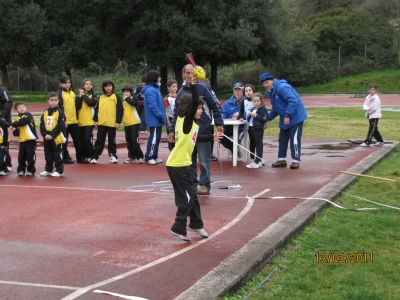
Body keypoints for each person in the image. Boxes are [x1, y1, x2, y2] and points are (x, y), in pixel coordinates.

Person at [167, 74, 223, 242]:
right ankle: (178, 226)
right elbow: (194, 103)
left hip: (183, 164)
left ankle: (196, 223)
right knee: (188, 197)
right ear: (191, 108)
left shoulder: (193, 125)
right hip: (178, 165)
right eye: (199, 108)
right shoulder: (185, 121)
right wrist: (193, 84)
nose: (201, 111)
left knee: (193, 195)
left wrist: (211, 137)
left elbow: (195, 139)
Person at [168, 64, 224, 195]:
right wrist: (171, 130)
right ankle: (192, 183)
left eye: (192, 73)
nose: (189, 75)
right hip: (188, 133)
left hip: (204, 129)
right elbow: (176, 113)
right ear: (183, 74)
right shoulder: (180, 93)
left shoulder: (204, 88)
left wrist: (219, 123)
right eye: (187, 73)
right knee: (190, 160)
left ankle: (204, 184)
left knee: (204, 161)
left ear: (197, 74)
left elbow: (216, 105)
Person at [260, 72, 308, 169]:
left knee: (294, 139)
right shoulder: (271, 93)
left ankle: (295, 161)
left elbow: (293, 100)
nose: (265, 85)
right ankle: (281, 159)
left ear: (271, 80)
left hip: (295, 116)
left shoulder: (282, 87)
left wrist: (287, 115)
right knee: (282, 139)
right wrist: (266, 119)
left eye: (267, 82)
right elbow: (275, 108)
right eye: (263, 84)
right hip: (284, 117)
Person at [90, 79, 123, 164]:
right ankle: (95, 156)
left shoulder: (116, 97)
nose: (108, 88)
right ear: (103, 87)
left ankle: (113, 155)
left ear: (112, 87)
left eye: (109, 86)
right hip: (102, 123)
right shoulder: (100, 97)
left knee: (112, 140)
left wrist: (118, 121)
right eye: (106, 86)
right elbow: (96, 109)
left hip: (112, 123)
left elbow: (120, 110)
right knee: (99, 140)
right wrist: (96, 120)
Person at [57, 74, 86, 164]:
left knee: (78, 140)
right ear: (60, 84)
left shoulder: (72, 93)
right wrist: (63, 120)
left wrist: (80, 96)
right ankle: (65, 157)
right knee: (64, 141)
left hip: (74, 121)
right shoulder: (59, 94)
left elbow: (76, 106)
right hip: (65, 122)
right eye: (65, 83)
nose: (67, 85)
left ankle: (80, 157)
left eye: (69, 83)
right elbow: (60, 108)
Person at [142, 70, 166, 165]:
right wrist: (159, 116)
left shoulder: (155, 89)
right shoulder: (151, 90)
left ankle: (154, 155)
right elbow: (153, 105)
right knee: (154, 137)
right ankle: (149, 156)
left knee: (157, 137)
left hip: (156, 118)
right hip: (154, 118)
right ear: (154, 78)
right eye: (158, 77)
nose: (160, 78)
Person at [39, 92, 66, 177]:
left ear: (58, 101)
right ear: (48, 101)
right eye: (51, 100)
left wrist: (52, 135)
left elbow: (60, 125)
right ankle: (48, 169)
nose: (53, 102)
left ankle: (59, 170)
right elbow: (42, 124)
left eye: (55, 100)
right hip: (47, 136)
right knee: (48, 153)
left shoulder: (60, 112)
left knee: (57, 153)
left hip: (56, 136)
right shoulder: (45, 112)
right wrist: (45, 134)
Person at [9, 102, 38, 176]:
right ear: (16, 110)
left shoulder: (28, 116)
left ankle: (31, 170)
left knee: (30, 156)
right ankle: (21, 170)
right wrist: (13, 129)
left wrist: (12, 124)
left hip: (30, 140)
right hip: (22, 141)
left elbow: (24, 121)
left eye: (23, 107)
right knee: (21, 157)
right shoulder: (18, 119)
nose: (22, 108)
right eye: (19, 107)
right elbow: (16, 133)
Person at [219, 82, 246, 157]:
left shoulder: (247, 102)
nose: (237, 91)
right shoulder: (228, 103)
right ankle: (233, 148)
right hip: (228, 127)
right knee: (219, 135)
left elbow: (248, 114)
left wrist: (240, 114)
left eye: (239, 90)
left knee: (239, 136)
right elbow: (224, 114)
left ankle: (234, 147)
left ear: (242, 91)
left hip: (241, 128)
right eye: (235, 89)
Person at [76, 78, 98, 162]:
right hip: (81, 121)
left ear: (91, 86)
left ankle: (90, 154)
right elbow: (78, 106)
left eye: (89, 84)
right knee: (82, 140)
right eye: (86, 84)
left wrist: (84, 95)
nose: (88, 85)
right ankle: (84, 155)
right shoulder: (80, 96)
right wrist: (80, 96)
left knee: (87, 139)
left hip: (89, 122)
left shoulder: (94, 96)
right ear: (83, 86)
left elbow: (90, 103)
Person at [121, 84, 144, 164]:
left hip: (134, 122)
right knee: (129, 140)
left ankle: (140, 156)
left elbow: (134, 103)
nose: (125, 93)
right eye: (124, 92)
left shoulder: (133, 98)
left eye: (127, 92)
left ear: (130, 92)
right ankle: (131, 156)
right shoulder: (123, 101)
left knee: (134, 140)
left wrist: (127, 98)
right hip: (126, 123)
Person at [244, 93, 268, 169]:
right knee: (252, 143)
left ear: (261, 101)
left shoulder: (263, 109)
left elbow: (264, 119)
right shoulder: (252, 108)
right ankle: (255, 158)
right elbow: (249, 118)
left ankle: (258, 160)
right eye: (254, 101)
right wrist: (248, 116)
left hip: (258, 128)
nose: (256, 103)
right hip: (251, 128)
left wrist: (255, 115)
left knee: (258, 144)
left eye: (258, 101)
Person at [238, 84, 256, 162]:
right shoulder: (244, 101)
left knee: (258, 141)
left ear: (253, 91)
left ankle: (259, 158)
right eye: (246, 91)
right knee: (251, 140)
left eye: (250, 90)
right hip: (249, 124)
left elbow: (263, 110)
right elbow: (241, 111)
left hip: (257, 124)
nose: (248, 92)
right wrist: (241, 117)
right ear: (244, 93)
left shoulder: (257, 99)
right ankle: (252, 158)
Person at [0, 80, 13, 171]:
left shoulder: (2, 89)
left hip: (2, 121)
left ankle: (6, 163)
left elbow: (8, 102)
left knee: (3, 143)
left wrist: (2, 116)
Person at [163, 79, 178, 151]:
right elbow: (166, 111)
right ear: (168, 87)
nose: (175, 88)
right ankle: (171, 150)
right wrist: (168, 122)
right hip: (171, 118)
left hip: (178, 118)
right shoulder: (166, 99)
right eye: (173, 86)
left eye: (176, 86)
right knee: (171, 135)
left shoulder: (179, 96)